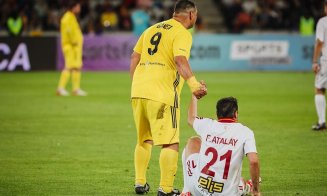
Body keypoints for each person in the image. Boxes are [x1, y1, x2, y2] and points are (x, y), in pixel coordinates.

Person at [130, 0, 207, 195]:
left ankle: (140, 183)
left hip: (138, 91)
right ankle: (165, 188)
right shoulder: (182, 33)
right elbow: (180, 60)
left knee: (143, 139)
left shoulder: (151, 29)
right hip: (163, 93)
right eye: (195, 16)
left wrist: (137, 84)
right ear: (190, 15)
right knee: (170, 141)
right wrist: (194, 86)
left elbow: (134, 58)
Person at [181, 96, 260, 196]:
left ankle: (186, 190)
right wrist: (257, 191)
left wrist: (194, 96)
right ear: (235, 114)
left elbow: (190, 118)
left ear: (217, 114)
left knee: (193, 141)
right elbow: (254, 161)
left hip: (199, 190)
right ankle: (248, 187)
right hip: (227, 194)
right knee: (241, 182)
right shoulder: (245, 132)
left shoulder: (207, 125)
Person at [57, 0, 87, 96]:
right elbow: (68, 31)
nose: (79, 9)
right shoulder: (67, 18)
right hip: (70, 46)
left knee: (77, 67)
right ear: (74, 7)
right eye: (78, 6)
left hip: (75, 47)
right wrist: (74, 41)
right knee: (69, 66)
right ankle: (60, 88)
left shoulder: (72, 17)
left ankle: (75, 89)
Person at [312, 0, 327, 130]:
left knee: (319, 89)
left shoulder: (323, 22)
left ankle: (322, 122)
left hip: (326, 60)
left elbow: (320, 42)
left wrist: (315, 61)